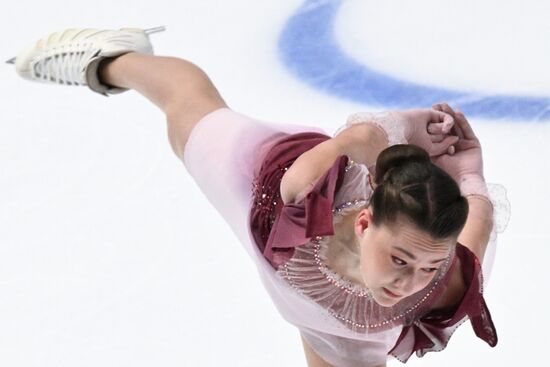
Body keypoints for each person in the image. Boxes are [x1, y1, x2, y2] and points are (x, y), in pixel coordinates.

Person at [8, 26, 510, 367]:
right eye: (401, 259)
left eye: (427, 268)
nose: (410, 282)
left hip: (339, 330)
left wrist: (470, 171)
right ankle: (113, 58)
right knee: (187, 111)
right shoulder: (306, 185)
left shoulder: (442, 279)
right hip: (260, 186)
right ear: (363, 225)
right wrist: (407, 125)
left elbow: (478, 218)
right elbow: (358, 138)